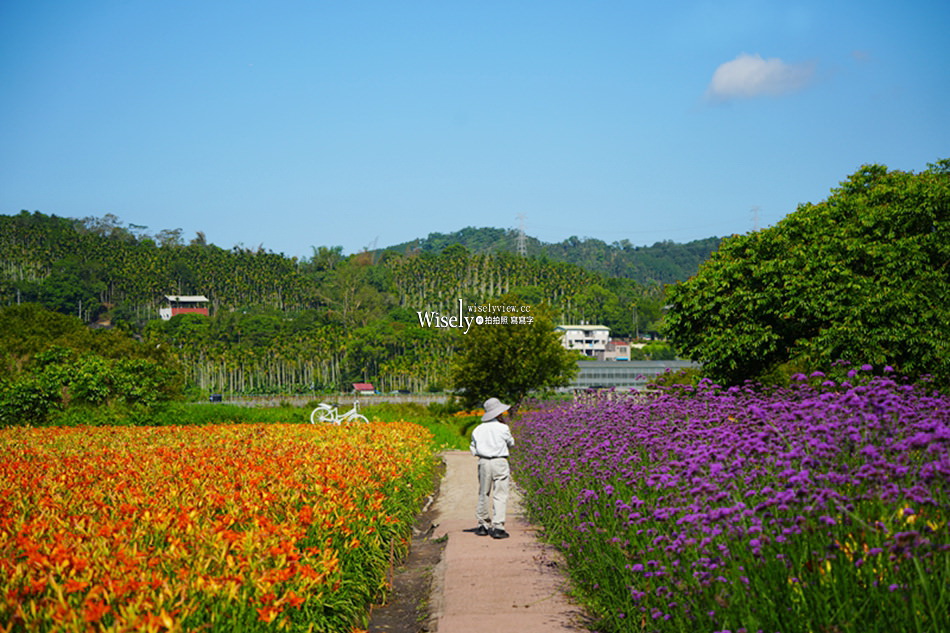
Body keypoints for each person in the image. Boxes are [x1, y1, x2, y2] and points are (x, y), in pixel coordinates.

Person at [470, 397, 515, 539]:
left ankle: (482, 524)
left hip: (484, 462)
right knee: (500, 494)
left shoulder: (478, 429)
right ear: (499, 413)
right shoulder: (503, 428)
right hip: (499, 461)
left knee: (483, 492)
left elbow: (473, 448)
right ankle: (498, 527)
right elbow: (511, 443)